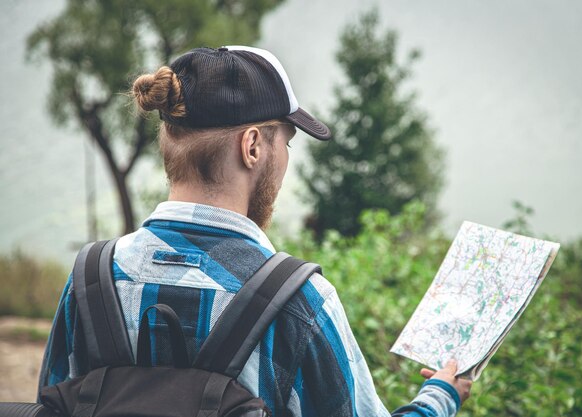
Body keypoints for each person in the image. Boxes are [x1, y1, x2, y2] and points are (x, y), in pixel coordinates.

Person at [38, 46, 471, 417]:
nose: (284, 160)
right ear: (252, 146)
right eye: (286, 142)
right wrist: (442, 395)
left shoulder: (90, 280)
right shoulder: (301, 303)